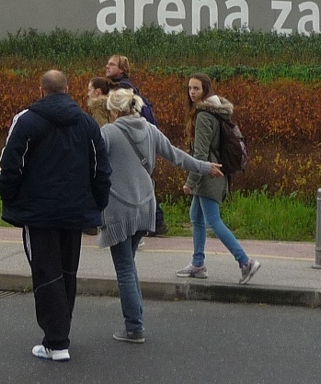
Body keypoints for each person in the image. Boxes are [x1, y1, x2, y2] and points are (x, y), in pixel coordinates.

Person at [0, 69, 111, 361]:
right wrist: (97, 204)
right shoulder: (87, 123)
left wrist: (11, 199)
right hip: (75, 209)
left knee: (45, 272)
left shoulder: (26, 121)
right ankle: (60, 332)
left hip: (38, 211)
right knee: (67, 272)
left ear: (41, 90)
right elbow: (100, 168)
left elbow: (10, 165)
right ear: (68, 89)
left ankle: (56, 340)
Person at [99, 88, 220, 342]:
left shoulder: (108, 132)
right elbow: (177, 156)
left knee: (124, 268)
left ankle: (134, 327)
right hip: (146, 206)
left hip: (119, 209)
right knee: (129, 264)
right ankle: (136, 320)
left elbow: (91, 163)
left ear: (116, 110)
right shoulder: (150, 129)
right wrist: (204, 167)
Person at [176, 72, 260, 283]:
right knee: (196, 217)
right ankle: (198, 264)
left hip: (209, 174)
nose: (192, 92)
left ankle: (245, 262)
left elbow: (200, 154)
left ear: (205, 90)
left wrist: (190, 182)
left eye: (196, 88)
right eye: (189, 88)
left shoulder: (204, 115)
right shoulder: (218, 112)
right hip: (213, 172)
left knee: (213, 221)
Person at [105, 54, 165, 234]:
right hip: (139, 141)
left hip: (131, 142)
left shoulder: (123, 90)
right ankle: (154, 221)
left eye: (112, 64)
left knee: (132, 183)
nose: (107, 66)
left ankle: (153, 220)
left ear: (122, 69)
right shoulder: (130, 88)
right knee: (140, 182)